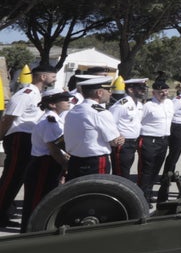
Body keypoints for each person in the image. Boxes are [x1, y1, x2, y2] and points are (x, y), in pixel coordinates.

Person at [0, 63, 56, 227]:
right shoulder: (26, 94)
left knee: (18, 178)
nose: (55, 79)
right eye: (52, 76)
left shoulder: (39, 94)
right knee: (11, 177)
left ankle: (4, 211)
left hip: (29, 139)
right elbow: (9, 118)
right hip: (20, 138)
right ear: (42, 77)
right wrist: (1, 136)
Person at [20, 88, 74, 232]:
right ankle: (30, 234)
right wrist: (66, 164)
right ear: (52, 104)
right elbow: (53, 149)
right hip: (43, 165)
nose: (68, 102)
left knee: (44, 200)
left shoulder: (55, 119)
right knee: (37, 202)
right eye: (63, 99)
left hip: (47, 164)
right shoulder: (49, 122)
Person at [62, 75, 124, 181]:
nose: (110, 93)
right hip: (95, 162)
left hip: (74, 160)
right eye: (108, 90)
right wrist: (121, 138)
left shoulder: (74, 110)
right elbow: (114, 142)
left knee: (75, 194)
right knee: (95, 194)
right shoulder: (101, 112)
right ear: (99, 93)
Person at [158, 77, 181, 201]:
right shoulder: (180, 99)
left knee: (177, 153)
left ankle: (170, 173)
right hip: (178, 128)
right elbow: (170, 112)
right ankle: (166, 175)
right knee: (174, 152)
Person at [136, 76, 174, 203]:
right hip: (149, 140)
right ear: (154, 93)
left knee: (156, 169)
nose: (164, 94)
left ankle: (149, 192)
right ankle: (141, 197)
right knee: (146, 170)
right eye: (160, 92)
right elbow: (138, 121)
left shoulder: (169, 103)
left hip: (163, 140)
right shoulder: (148, 105)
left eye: (166, 91)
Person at [109, 78, 147, 178]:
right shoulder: (122, 104)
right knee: (120, 173)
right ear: (130, 90)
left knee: (126, 171)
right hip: (122, 144)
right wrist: (117, 135)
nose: (144, 90)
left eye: (144, 87)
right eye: (141, 88)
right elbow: (109, 123)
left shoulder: (139, 104)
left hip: (133, 143)